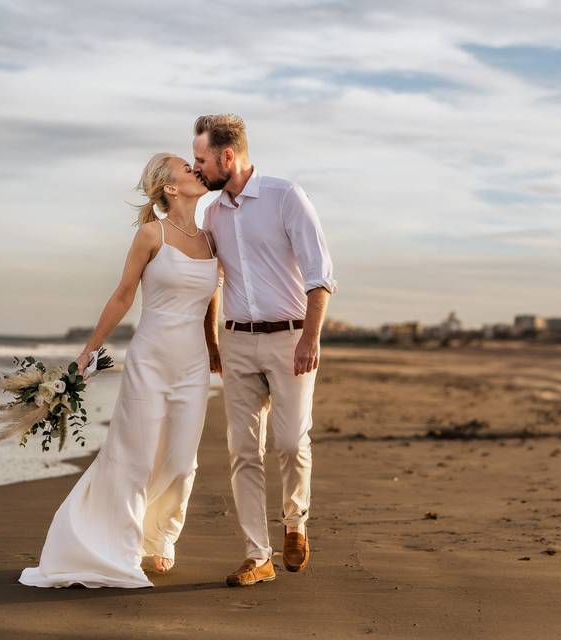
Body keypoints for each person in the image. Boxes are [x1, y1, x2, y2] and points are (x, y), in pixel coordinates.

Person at [18, 152, 219, 588]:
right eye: (187, 167)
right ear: (170, 187)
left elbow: (211, 298)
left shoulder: (211, 239)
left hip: (193, 365)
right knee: (135, 455)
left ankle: (160, 539)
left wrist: (214, 345)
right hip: (150, 359)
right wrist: (89, 350)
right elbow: (123, 295)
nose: (196, 170)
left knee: (182, 460)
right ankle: (123, 548)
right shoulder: (152, 234)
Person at [192, 113, 337, 587]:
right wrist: (213, 340)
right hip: (236, 342)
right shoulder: (212, 213)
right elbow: (212, 281)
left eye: (202, 159)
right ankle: (258, 555)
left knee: (292, 441)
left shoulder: (285, 197)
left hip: (290, 338)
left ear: (227, 156)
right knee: (243, 450)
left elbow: (321, 277)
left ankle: (296, 521)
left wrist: (310, 338)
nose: (198, 169)